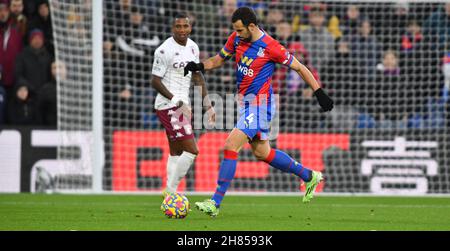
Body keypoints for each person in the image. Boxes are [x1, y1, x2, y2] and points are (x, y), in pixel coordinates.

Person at [184, 7, 333, 217]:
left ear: (251, 26)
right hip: (246, 104)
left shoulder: (271, 47)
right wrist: (198, 66)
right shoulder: (236, 39)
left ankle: (215, 202)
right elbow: (218, 59)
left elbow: (300, 67)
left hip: (261, 106)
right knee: (262, 152)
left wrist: (319, 93)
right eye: (234, 30)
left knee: (230, 145)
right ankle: (309, 176)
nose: (236, 34)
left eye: (240, 30)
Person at [151, 13, 215, 197]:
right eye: (178, 26)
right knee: (192, 150)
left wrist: (208, 105)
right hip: (168, 105)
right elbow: (155, 81)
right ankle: (170, 192)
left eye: (185, 26)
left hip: (182, 104)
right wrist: (176, 102)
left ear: (190, 27)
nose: (182, 30)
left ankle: (169, 192)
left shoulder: (193, 47)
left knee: (177, 151)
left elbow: (197, 76)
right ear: (173, 28)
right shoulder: (164, 50)